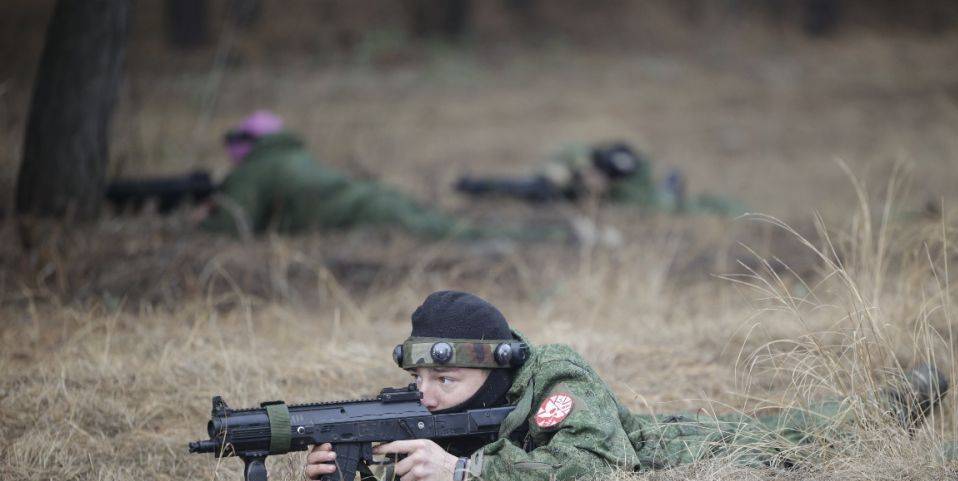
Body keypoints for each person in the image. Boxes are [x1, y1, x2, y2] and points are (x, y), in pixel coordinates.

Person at [304, 291, 958, 481]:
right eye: (422, 379)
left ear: (494, 370)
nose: (427, 395)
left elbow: (600, 465)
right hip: (670, 437)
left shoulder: (553, 376)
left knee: (813, 438)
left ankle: (919, 406)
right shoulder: (429, 400)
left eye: (445, 383)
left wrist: (461, 475)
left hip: (691, 450)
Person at [198, 110, 470, 238]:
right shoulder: (294, 155)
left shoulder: (255, 169)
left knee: (459, 237)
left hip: (369, 211)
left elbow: (231, 226)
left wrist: (201, 219)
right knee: (459, 232)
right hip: (378, 198)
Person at [454, 141, 747, 217]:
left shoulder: (631, 188)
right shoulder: (579, 163)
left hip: (646, 193)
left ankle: (670, 184)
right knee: (522, 188)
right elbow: (567, 153)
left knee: (667, 202)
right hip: (560, 188)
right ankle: (474, 186)